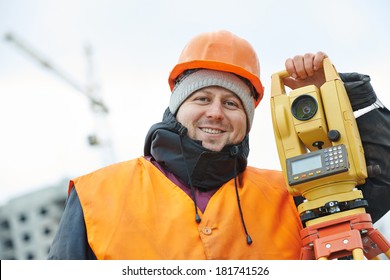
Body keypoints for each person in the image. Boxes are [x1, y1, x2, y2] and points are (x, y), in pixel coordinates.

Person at [47, 30, 390, 260]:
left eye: (231, 104)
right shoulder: (96, 195)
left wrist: (351, 96)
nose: (215, 113)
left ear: (246, 121)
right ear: (177, 108)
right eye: (202, 98)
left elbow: (381, 180)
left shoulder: (292, 194)